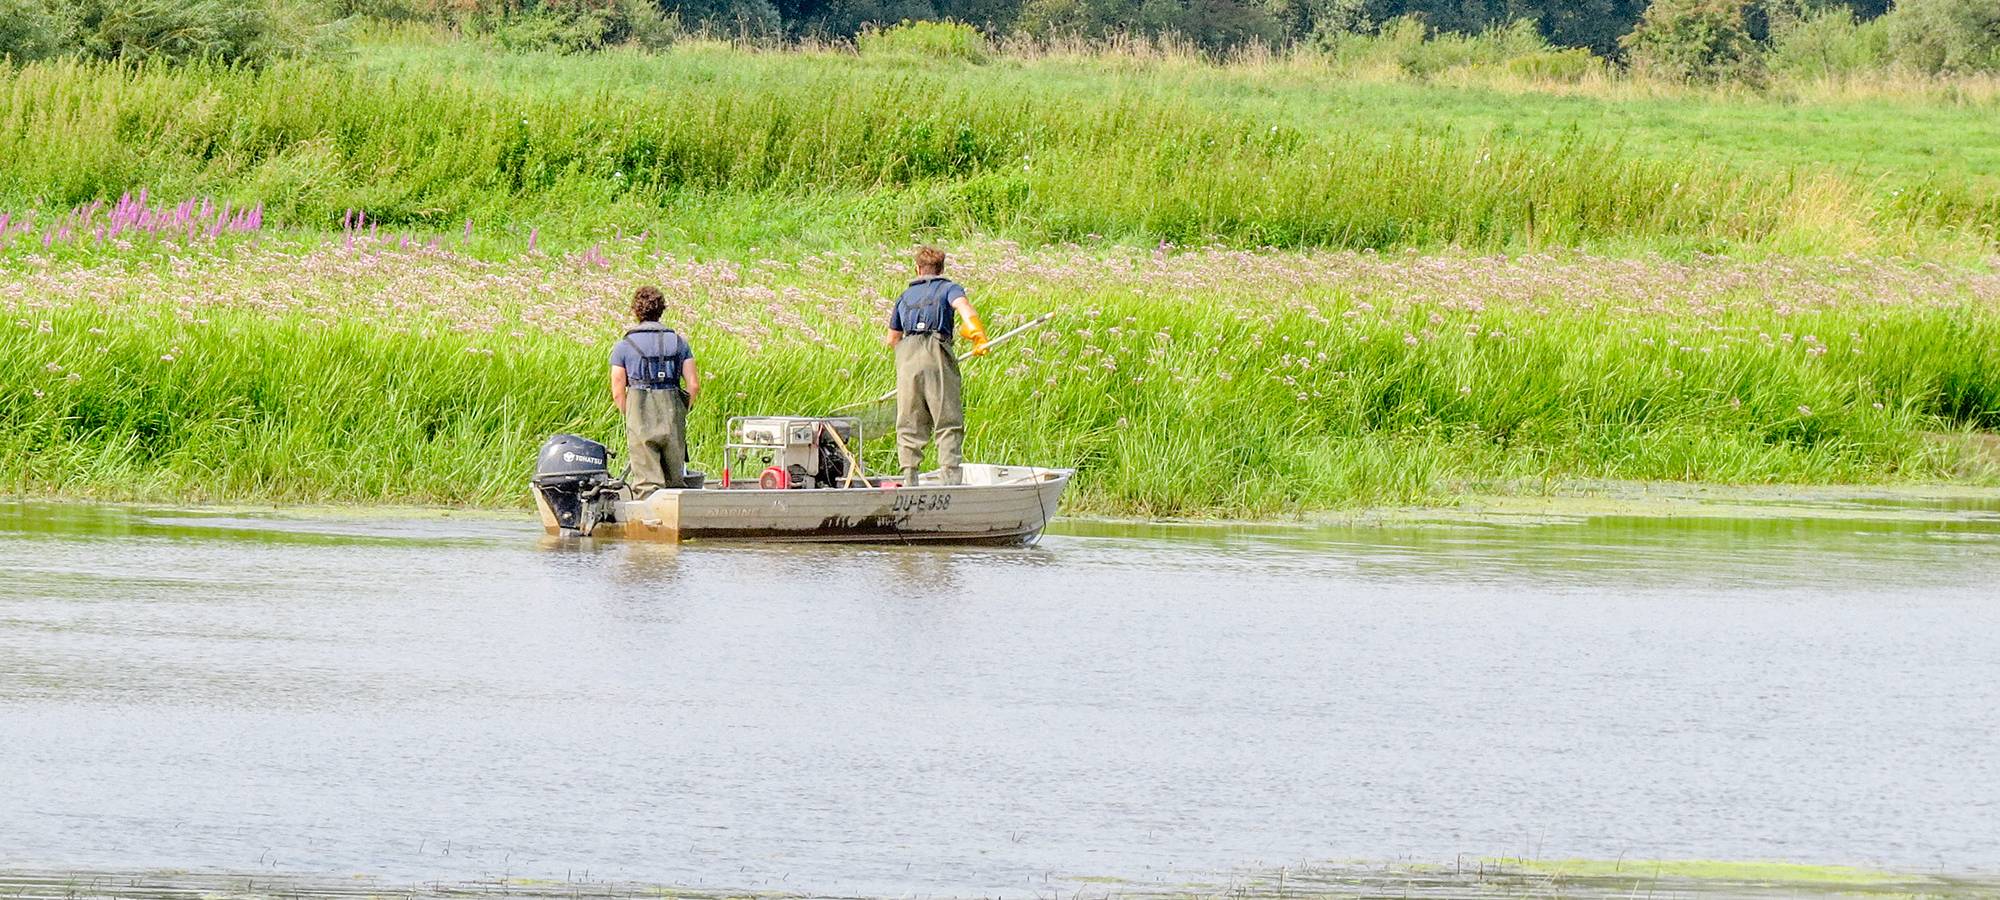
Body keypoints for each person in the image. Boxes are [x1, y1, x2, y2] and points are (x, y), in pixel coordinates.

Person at [885, 246, 988, 486]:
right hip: (936, 353)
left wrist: (910, 362)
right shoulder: (949, 288)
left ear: (917, 269)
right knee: (947, 419)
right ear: (941, 269)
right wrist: (976, 332)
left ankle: (909, 479)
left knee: (909, 421)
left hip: (907, 359)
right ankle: (950, 479)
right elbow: (963, 306)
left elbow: (892, 339)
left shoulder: (904, 296)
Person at [610, 285, 700, 497]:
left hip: (639, 413)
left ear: (636, 310)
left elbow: (617, 390)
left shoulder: (624, 345)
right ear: (661, 310)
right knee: (675, 484)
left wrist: (630, 414)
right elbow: (693, 385)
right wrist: (681, 410)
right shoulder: (679, 342)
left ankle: (648, 515)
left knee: (647, 485)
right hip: (672, 413)